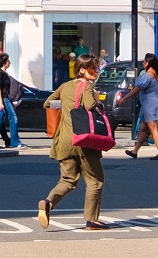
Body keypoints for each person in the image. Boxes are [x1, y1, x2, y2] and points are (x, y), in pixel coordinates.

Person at [38, 54, 111, 231]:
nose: (96, 71)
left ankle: (48, 203)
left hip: (64, 140)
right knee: (95, 181)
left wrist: (66, 110)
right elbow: (89, 105)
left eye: (97, 67)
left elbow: (48, 103)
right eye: (93, 68)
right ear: (82, 70)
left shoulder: (64, 86)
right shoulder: (87, 85)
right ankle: (91, 220)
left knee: (68, 180)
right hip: (83, 139)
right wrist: (95, 96)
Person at [118, 53, 158, 160]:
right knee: (143, 129)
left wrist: (124, 99)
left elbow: (137, 89)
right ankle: (134, 151)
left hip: (149, 104)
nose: (143, 64)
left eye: (144, 62)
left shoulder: (147, 75)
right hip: (154, 102)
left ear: (148, 63)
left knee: (153, 129)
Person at [0, 52, 24, 149]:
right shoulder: (0, 74)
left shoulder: (3, 74)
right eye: (8, 61)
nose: (9, 63)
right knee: (13, 119)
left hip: (5, 99)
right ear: (4, 63)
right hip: (3, 99)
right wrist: (1, 102)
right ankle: (15, 142)